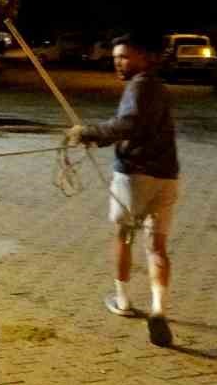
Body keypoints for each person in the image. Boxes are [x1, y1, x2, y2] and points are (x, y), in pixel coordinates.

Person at [66, 32, 179, 347]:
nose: (118, 62)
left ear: (145, 57)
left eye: (125, 56)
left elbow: (128, 124)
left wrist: (87, 133)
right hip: (167, 176)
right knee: (157, 247)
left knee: (123, 235)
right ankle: (158, 309)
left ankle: (124, 301)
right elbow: (136, 125)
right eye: (116, 56)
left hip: (135, 176)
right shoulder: (158, 87)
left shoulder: (140, 86)